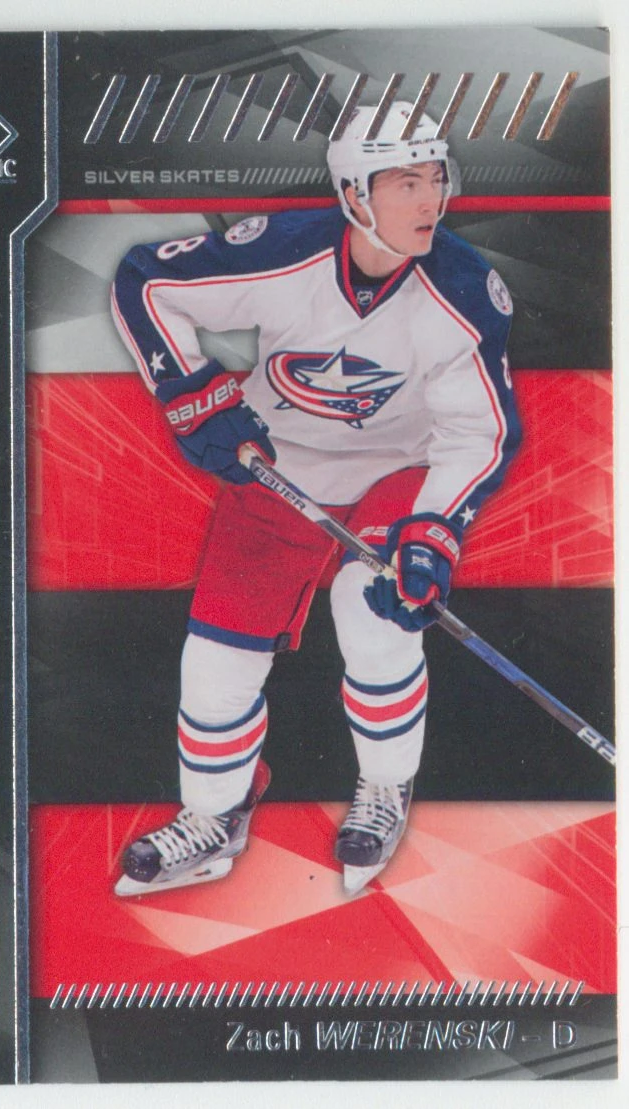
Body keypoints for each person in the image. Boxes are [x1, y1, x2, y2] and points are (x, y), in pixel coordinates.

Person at [109, 101, 521, 896]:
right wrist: (192, 395)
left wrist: (435, 530)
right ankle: (214, 814)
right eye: (406, 183)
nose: (431, 200)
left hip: (401, 469)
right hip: (281, 462)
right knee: (216, 659)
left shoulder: (466, 288)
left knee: (372, 610)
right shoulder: (285, 249)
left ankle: (385, 786)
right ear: (355, 192)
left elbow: (480, 432)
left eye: (436, 178)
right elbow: (147, 280)